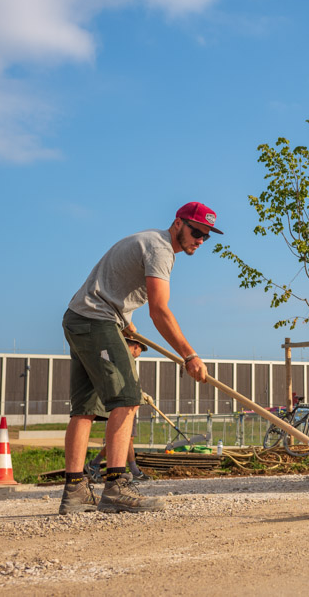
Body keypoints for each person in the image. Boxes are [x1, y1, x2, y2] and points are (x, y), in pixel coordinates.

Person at [59, 202, 221, 515]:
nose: (200, 240)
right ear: (178, 224)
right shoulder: (161, 250)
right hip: (96, 320)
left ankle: (75, 490)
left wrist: (129, 327)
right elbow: (159, 310)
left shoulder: (147, 241)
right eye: (196, 231)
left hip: (79, 318)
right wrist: (190, 355)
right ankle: (117, 487)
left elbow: (118, 288)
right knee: (128, 400)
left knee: (85, 409)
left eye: (206, 236)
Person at [85, 338, 151, 483]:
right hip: (122, 403)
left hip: (127, 401)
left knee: (128, 438)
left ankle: (132, 469)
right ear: (136, 346)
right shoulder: (119, 356)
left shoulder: (122, 357)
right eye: (140, 350)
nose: (139, 354)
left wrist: (140, 393)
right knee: (122, 436)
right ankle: (96, 464)